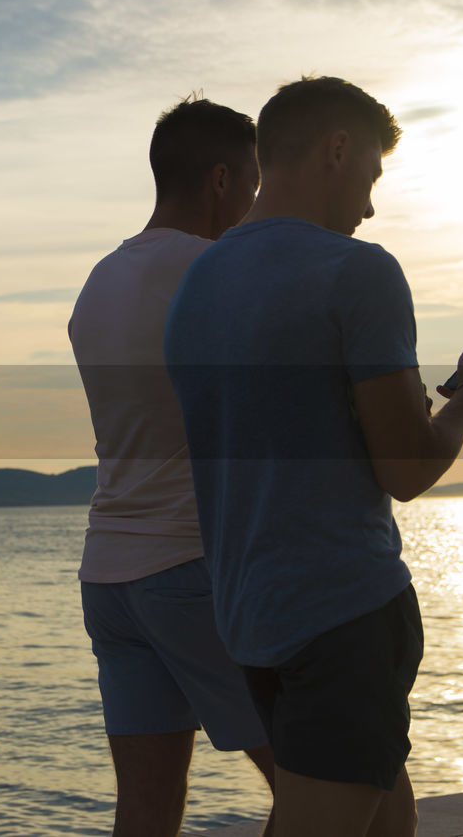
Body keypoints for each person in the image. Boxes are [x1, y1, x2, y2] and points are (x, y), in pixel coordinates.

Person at [163, 76, 463, 836]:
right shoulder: (358, 272)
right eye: (371, 177)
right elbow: (408, 468)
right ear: (337, 149)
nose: (370, 204)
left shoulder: (197, 285)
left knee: (388, 823)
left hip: (251, 621)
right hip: (342, 616)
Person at [68, 97, 276, 837]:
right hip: (193, 565)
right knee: (324, 783)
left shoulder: (100, 281)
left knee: (147, 812)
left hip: (112, 575)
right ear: (222, 179)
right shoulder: (217, 269)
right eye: (253, 181)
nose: (256, 200)